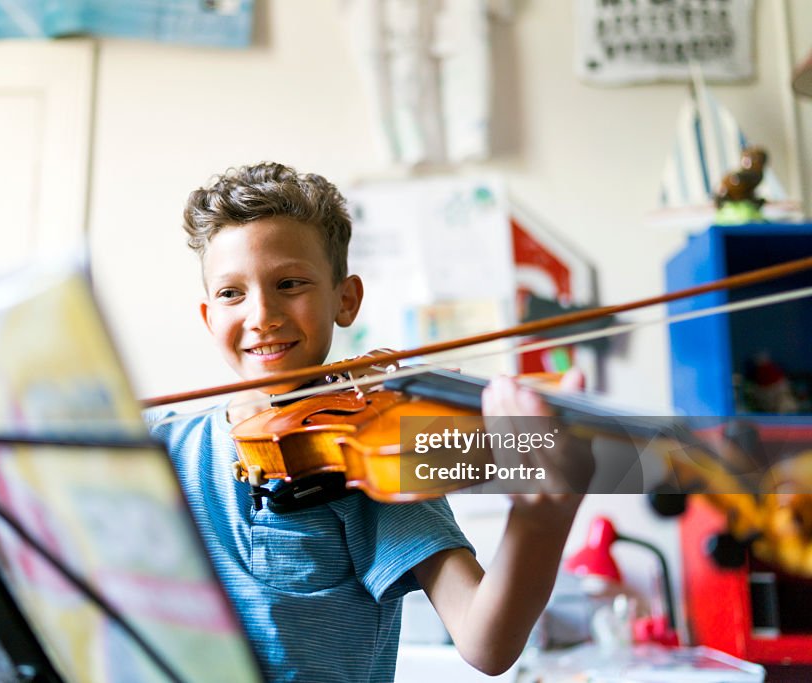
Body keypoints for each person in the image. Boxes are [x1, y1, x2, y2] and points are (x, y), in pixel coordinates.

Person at [147, 162, 584, 682]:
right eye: (231, 293)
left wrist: (540, 520)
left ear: (346, 299)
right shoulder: (157, 448)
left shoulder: (364, 458)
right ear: (209, 317)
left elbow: (486, 642)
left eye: (290, 283)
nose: (262, 314)